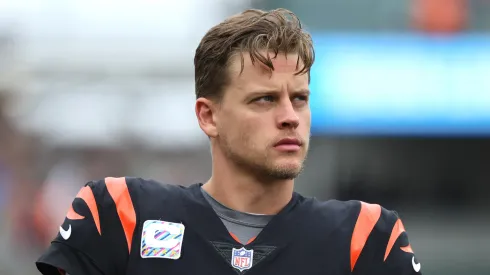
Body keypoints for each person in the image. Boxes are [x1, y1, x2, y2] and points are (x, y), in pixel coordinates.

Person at [36, 8, 422, 275]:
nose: (289, 115)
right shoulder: (120, 215)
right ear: (209, 116)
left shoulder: (367, 234)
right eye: (265, 99)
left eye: (299, 98)